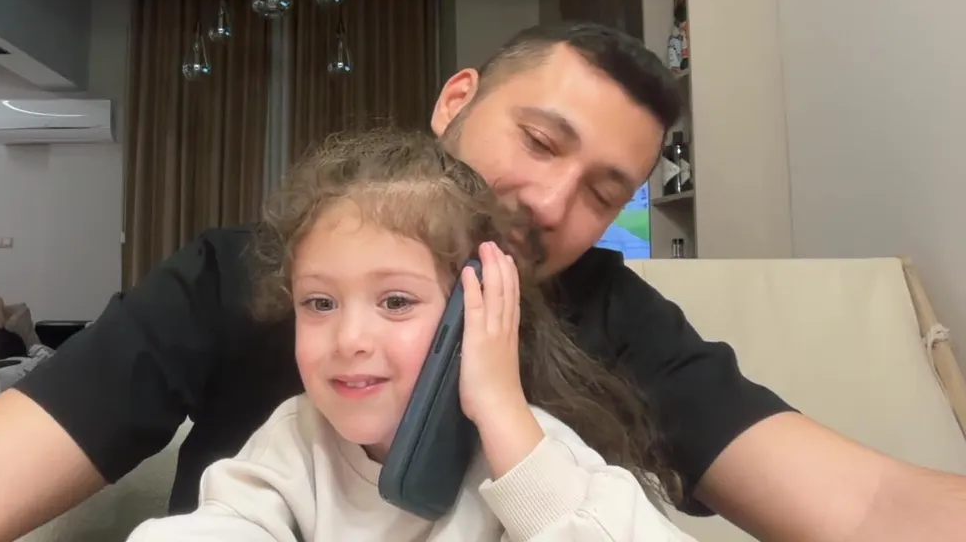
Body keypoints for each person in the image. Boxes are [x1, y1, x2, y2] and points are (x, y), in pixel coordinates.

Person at [0, 22, 962, 541]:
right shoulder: (236, 278)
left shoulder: (617, 321)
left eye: (602, 191)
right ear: (455, 100)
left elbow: (863, 504)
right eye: (538, 141)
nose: (550, 203)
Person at [127, 129, 693, 541]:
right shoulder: (296, 439)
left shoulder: (532, 449)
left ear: (474, 312)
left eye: (395, 302)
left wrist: (502, 415)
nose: (349, 339)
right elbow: (222, 524)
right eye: (320, 303)